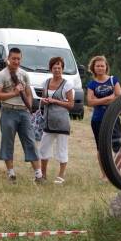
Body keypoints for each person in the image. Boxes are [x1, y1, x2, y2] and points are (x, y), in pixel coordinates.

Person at [0, 47, 43, 182]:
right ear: (8, 59)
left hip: (23, 112)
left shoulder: (24, 74)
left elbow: (28, 93)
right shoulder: (2, 75)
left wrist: (28, 106)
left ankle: (38, 175)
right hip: (8, 111)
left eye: (18, 59)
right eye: (13, 58)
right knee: (8, 142)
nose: (16, 61)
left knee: (30, 141)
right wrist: (13, 93)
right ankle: (11, 173)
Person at [85, 55, 121, 179]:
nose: (100, 68)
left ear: (106, 67)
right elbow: (90, 102)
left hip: (113, 117)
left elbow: (119, 96)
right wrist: (109, 98)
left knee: (117, 146)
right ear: (93, 68)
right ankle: (104, 175)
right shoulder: (91, 84)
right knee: (101, 148)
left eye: (102, 65)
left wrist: (99, 100)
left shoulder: (113, 80)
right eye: (98, 66)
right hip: (97, 120)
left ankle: (117, 175)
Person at [39, 56, 74, 184]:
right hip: (48, 122)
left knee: (62, 149)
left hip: (62, 123)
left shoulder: (67, 84)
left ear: (62, 69)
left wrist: (55, 101)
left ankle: (61, 175)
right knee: (43, 149)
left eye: (59, 68)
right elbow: (42, 100)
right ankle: (43, 174)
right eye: (55, 68)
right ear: (51, 69)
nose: (57, 70)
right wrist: (43, 101)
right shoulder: (45, 83)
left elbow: (71, 105)